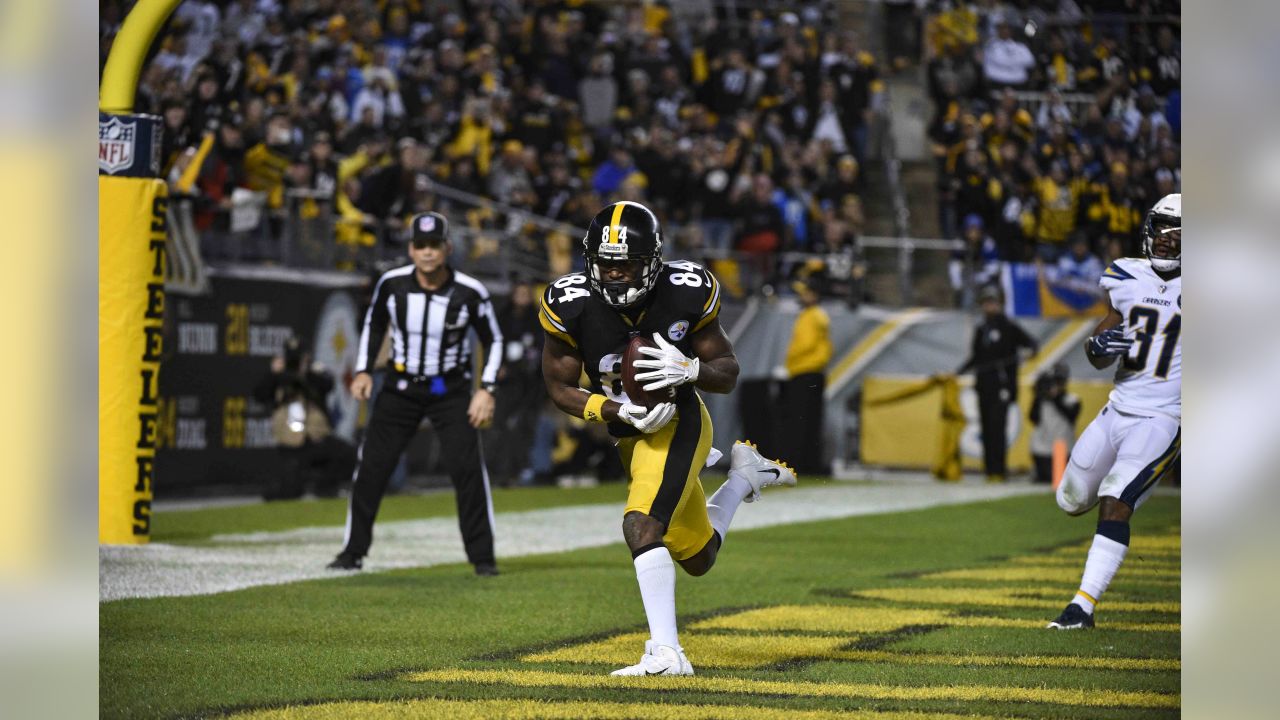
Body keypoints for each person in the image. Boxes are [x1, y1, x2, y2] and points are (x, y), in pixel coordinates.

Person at [539, 201, 797, 676]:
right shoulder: (569, 302)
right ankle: (743, 479)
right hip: (629, 433)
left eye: (626, 264)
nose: (615, 275)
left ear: (653, 262)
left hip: (680, 421)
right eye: (605, 264)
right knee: (698, 558)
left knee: (641, 526)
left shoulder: (684, 292)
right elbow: (558, 387)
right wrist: (616, 409)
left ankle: (666, 654)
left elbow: (728, 372)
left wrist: (692, 368)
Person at [328, 211, 504, 575]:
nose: (427, 253)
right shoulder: (392, 284)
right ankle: (352, 551)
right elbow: (373, 326)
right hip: (400, 387)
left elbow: (495, 339)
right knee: (371, 468)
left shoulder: (470, 291)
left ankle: (483, 559)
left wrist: (485, 389)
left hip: (450, 388)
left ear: (447, 248)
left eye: (434, 245)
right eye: (420, 245)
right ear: (410, 249)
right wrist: (363, 370)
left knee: (467, 470)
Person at [1048, 194, 1181, 629]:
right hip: (1117, 409)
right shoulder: (1126, 274)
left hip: (1163, 418)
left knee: (1115, 499)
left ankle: (1081, 607)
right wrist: (1095, 347)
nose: (1164, 240)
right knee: (1070, 499)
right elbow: (1102, 344)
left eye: (1176, 232)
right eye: (1160, 228)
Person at [253, 335, 355, 500]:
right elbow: (259, 394)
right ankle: (290, 487)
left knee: (349, 454)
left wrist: (305, 372)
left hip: (316, 439)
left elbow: (328, 385)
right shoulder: (278, 376)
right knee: (288, 492)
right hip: (291, 444)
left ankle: (325, 487)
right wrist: (274, 374)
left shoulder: (313, 372)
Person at [957, 285, 1038, 482]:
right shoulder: (981, 329)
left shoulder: (1009, 327)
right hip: (984, 386)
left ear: (999, 304)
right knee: (986, 427)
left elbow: (1032, 345)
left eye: (992, 302)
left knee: (998, 428)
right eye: (986, 303)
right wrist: (957, 373)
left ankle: (999, 470)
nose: (989, 306)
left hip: (1002, 386)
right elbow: (976, 358)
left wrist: (1025, 355)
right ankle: (989, 469)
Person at [775, 278, 833, 475]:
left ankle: (801, 464)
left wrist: (789, 362)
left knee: (801, 421)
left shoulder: (812, 315)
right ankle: (808, 464)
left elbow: (804, 345)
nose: (802, 296)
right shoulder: (815, 315)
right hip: (809, 372)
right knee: (809, 421)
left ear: (814, 295)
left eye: (806, 292)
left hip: (805, 372)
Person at [1028, 363, 1081, 484]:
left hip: (1061, 447)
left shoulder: (1072, 399)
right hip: (1041, 446)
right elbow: (1033, 418)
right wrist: (1037, 396)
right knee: (1043, 479)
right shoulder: (1042, 401)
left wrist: (1055, 397)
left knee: (1057, 480)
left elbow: (1071, 416)